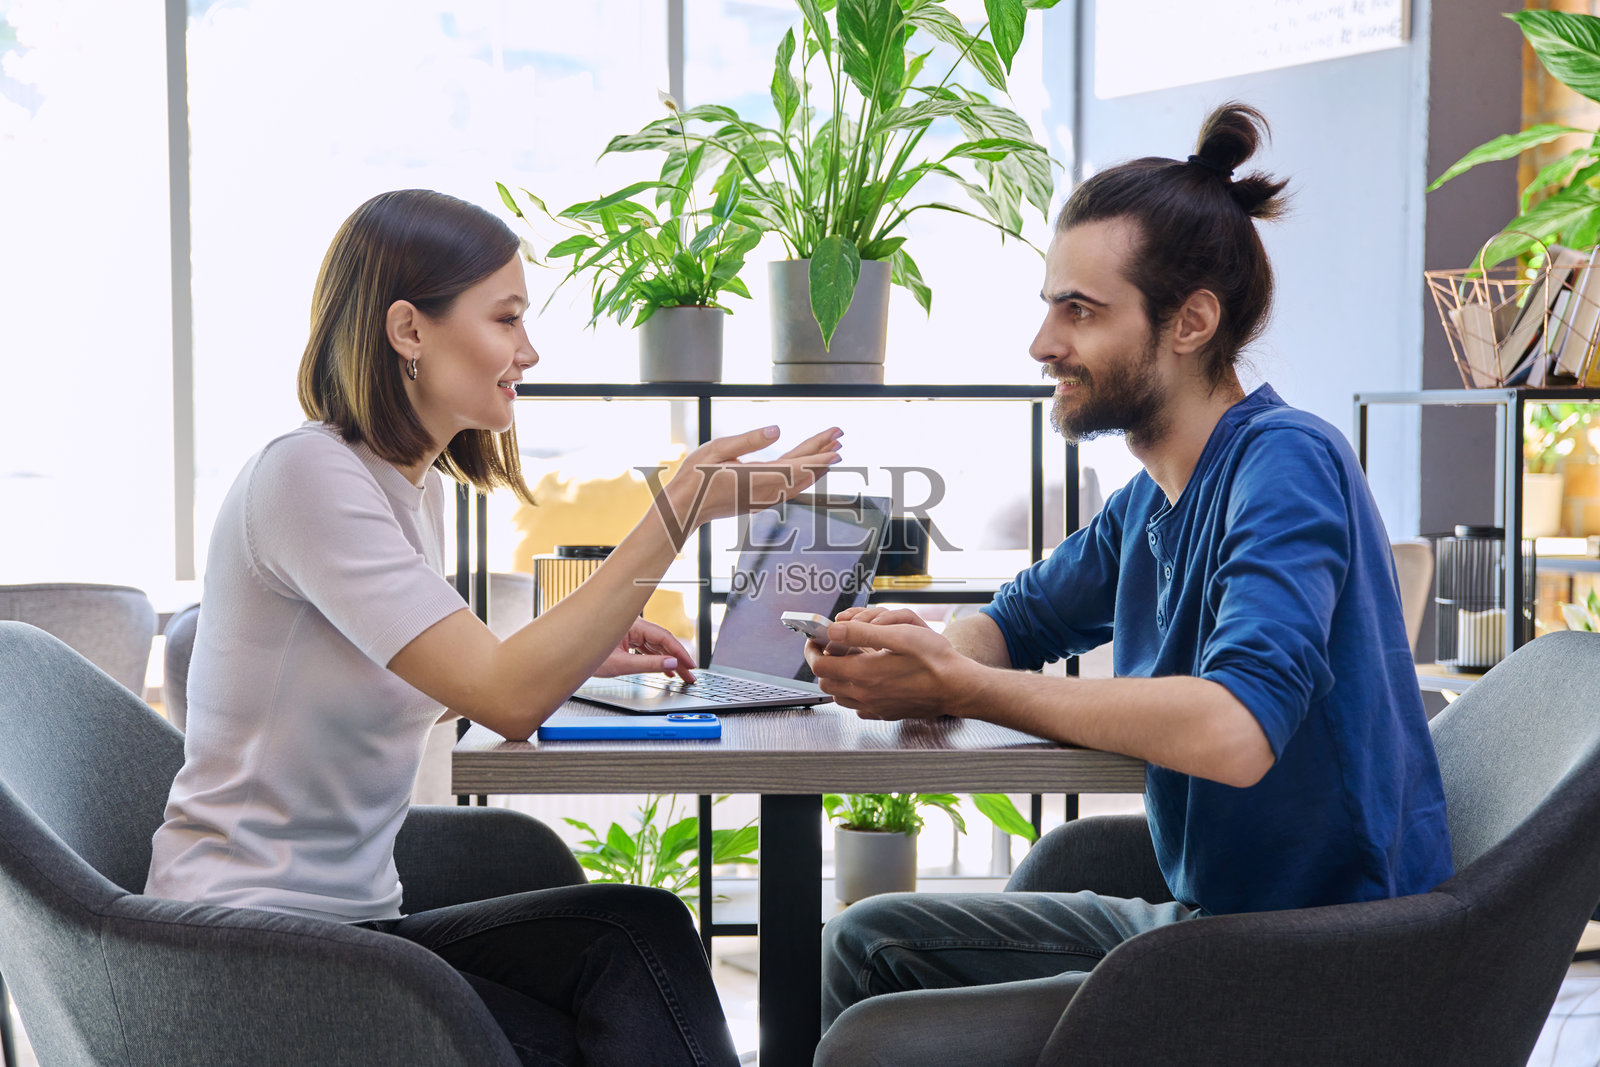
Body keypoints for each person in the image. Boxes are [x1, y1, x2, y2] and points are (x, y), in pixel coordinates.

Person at [805, 103, 1454, 1066]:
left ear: (1191, 321)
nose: (1041, 343)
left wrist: (962, 685)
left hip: (1320, 958)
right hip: (1214, 920)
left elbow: (1236, 729)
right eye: (1049, 304)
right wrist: (923, 642)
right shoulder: (1151, 499)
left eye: (1080, 310)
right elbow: (1018, 621)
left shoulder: (1286, 463)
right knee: (868, 941)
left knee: (880, 1029)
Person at [144, 188, 842, 1067]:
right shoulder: (307, 478)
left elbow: (432, 685)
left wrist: (578, 663)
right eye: (506, 317)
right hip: (249, 949)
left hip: (355, 926)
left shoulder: (407, 487)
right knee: (602, 1004)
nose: (529, 350)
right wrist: (681, 506)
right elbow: (504, 699)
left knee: (636, 937)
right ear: (409, 329)